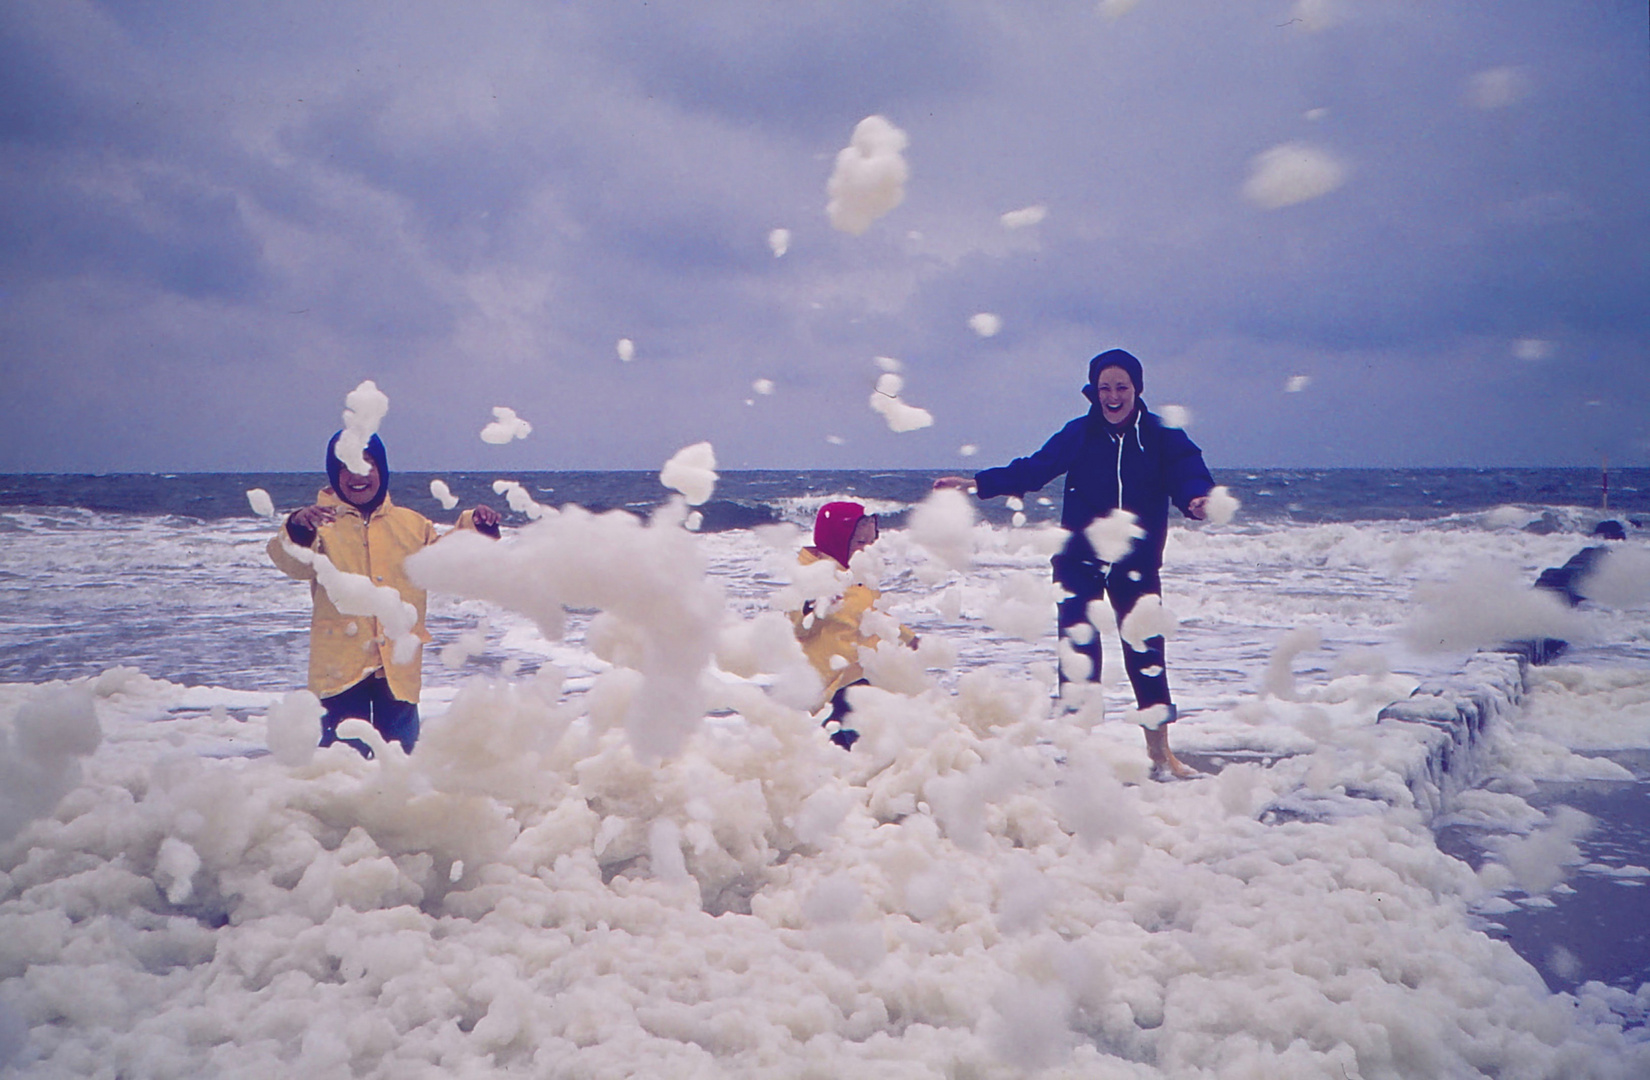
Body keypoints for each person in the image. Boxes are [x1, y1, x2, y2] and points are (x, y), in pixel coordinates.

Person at [937, 348, 1214, 780]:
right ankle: (1077, 756)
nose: (1113, 396)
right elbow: (1034, 469)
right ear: (1094, 391)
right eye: (1105, 388)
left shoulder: (1161, 436)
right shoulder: (1080, 434)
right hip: (1078, 562)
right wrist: (979, 482)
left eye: (1121, 387)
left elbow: (1187, 470)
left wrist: (1196, 499)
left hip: (1136, 564)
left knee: (1146, 654)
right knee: (1078, 653)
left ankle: (1161, 756)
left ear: (1137, 389)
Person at [268, 431, 501, 757]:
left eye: (367, 464)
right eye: (347, 466)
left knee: (402, 762)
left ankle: (399, 809)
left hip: (398, 664)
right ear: (334, 474)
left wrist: (477, 529)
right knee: (342, 764)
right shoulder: (320, 524)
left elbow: (449, 564)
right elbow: (291, 563)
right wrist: (297, 528)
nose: (357, 475)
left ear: (383, 469)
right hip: (340, 670)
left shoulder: (412, 524)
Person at [790, 501, 916, 750]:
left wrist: (909, 639)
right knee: (854, 735)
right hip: (833, 684)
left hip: (862, 674)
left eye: (871, 543)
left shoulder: (859, 577)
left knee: (879, 731)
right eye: (860, 543)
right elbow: (796, 628)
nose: (867, 549)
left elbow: (876, 617)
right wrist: (812, 606)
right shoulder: (813, 577)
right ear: (836, 539)